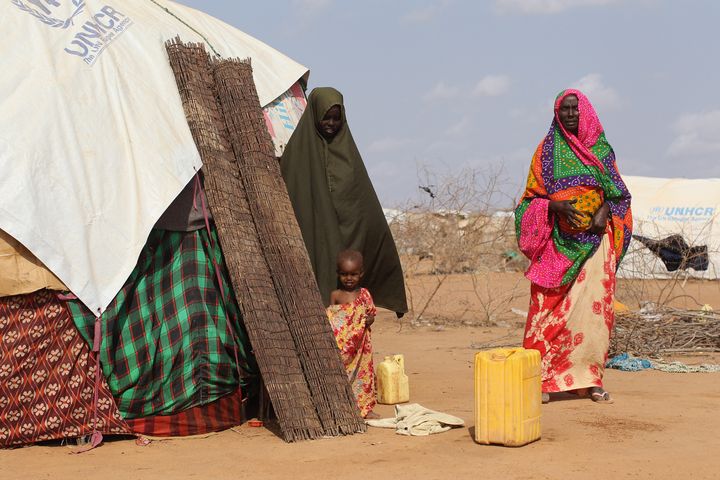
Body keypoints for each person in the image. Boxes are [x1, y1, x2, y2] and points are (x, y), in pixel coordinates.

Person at [514, 89, 632, 404]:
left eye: (575, 109)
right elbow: (530, 201)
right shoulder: (546, 151)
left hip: (597, 242)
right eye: (564, 109)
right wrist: (554, 208)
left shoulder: (601, 150)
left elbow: (619, 194)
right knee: (547, 307)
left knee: (594, 315)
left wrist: (604, 212)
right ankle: (543, 380)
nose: (570, 115)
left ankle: (590, 380)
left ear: (586, 113)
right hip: (559, 242)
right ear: (556, 113)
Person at [280, 87, 408, 317]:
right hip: (314, 232)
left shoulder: (348, 153)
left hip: (347, 234)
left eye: (336, 119)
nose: (330, 123)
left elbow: (362, 202)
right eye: (325, 117)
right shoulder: (297, 153)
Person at [326, 250, 379, 418]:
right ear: (338, 274)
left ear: (361, 274)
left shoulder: (364, 294)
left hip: (361, 347)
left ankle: (366, 409)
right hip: (342, 346)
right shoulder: (336, 295)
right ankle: (344, 408)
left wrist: (369, 320)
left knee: (364, 376)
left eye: (353, 274)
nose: (349, 278)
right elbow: (332, 319)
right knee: (341, 376)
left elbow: (371, 314)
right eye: (344, 274)